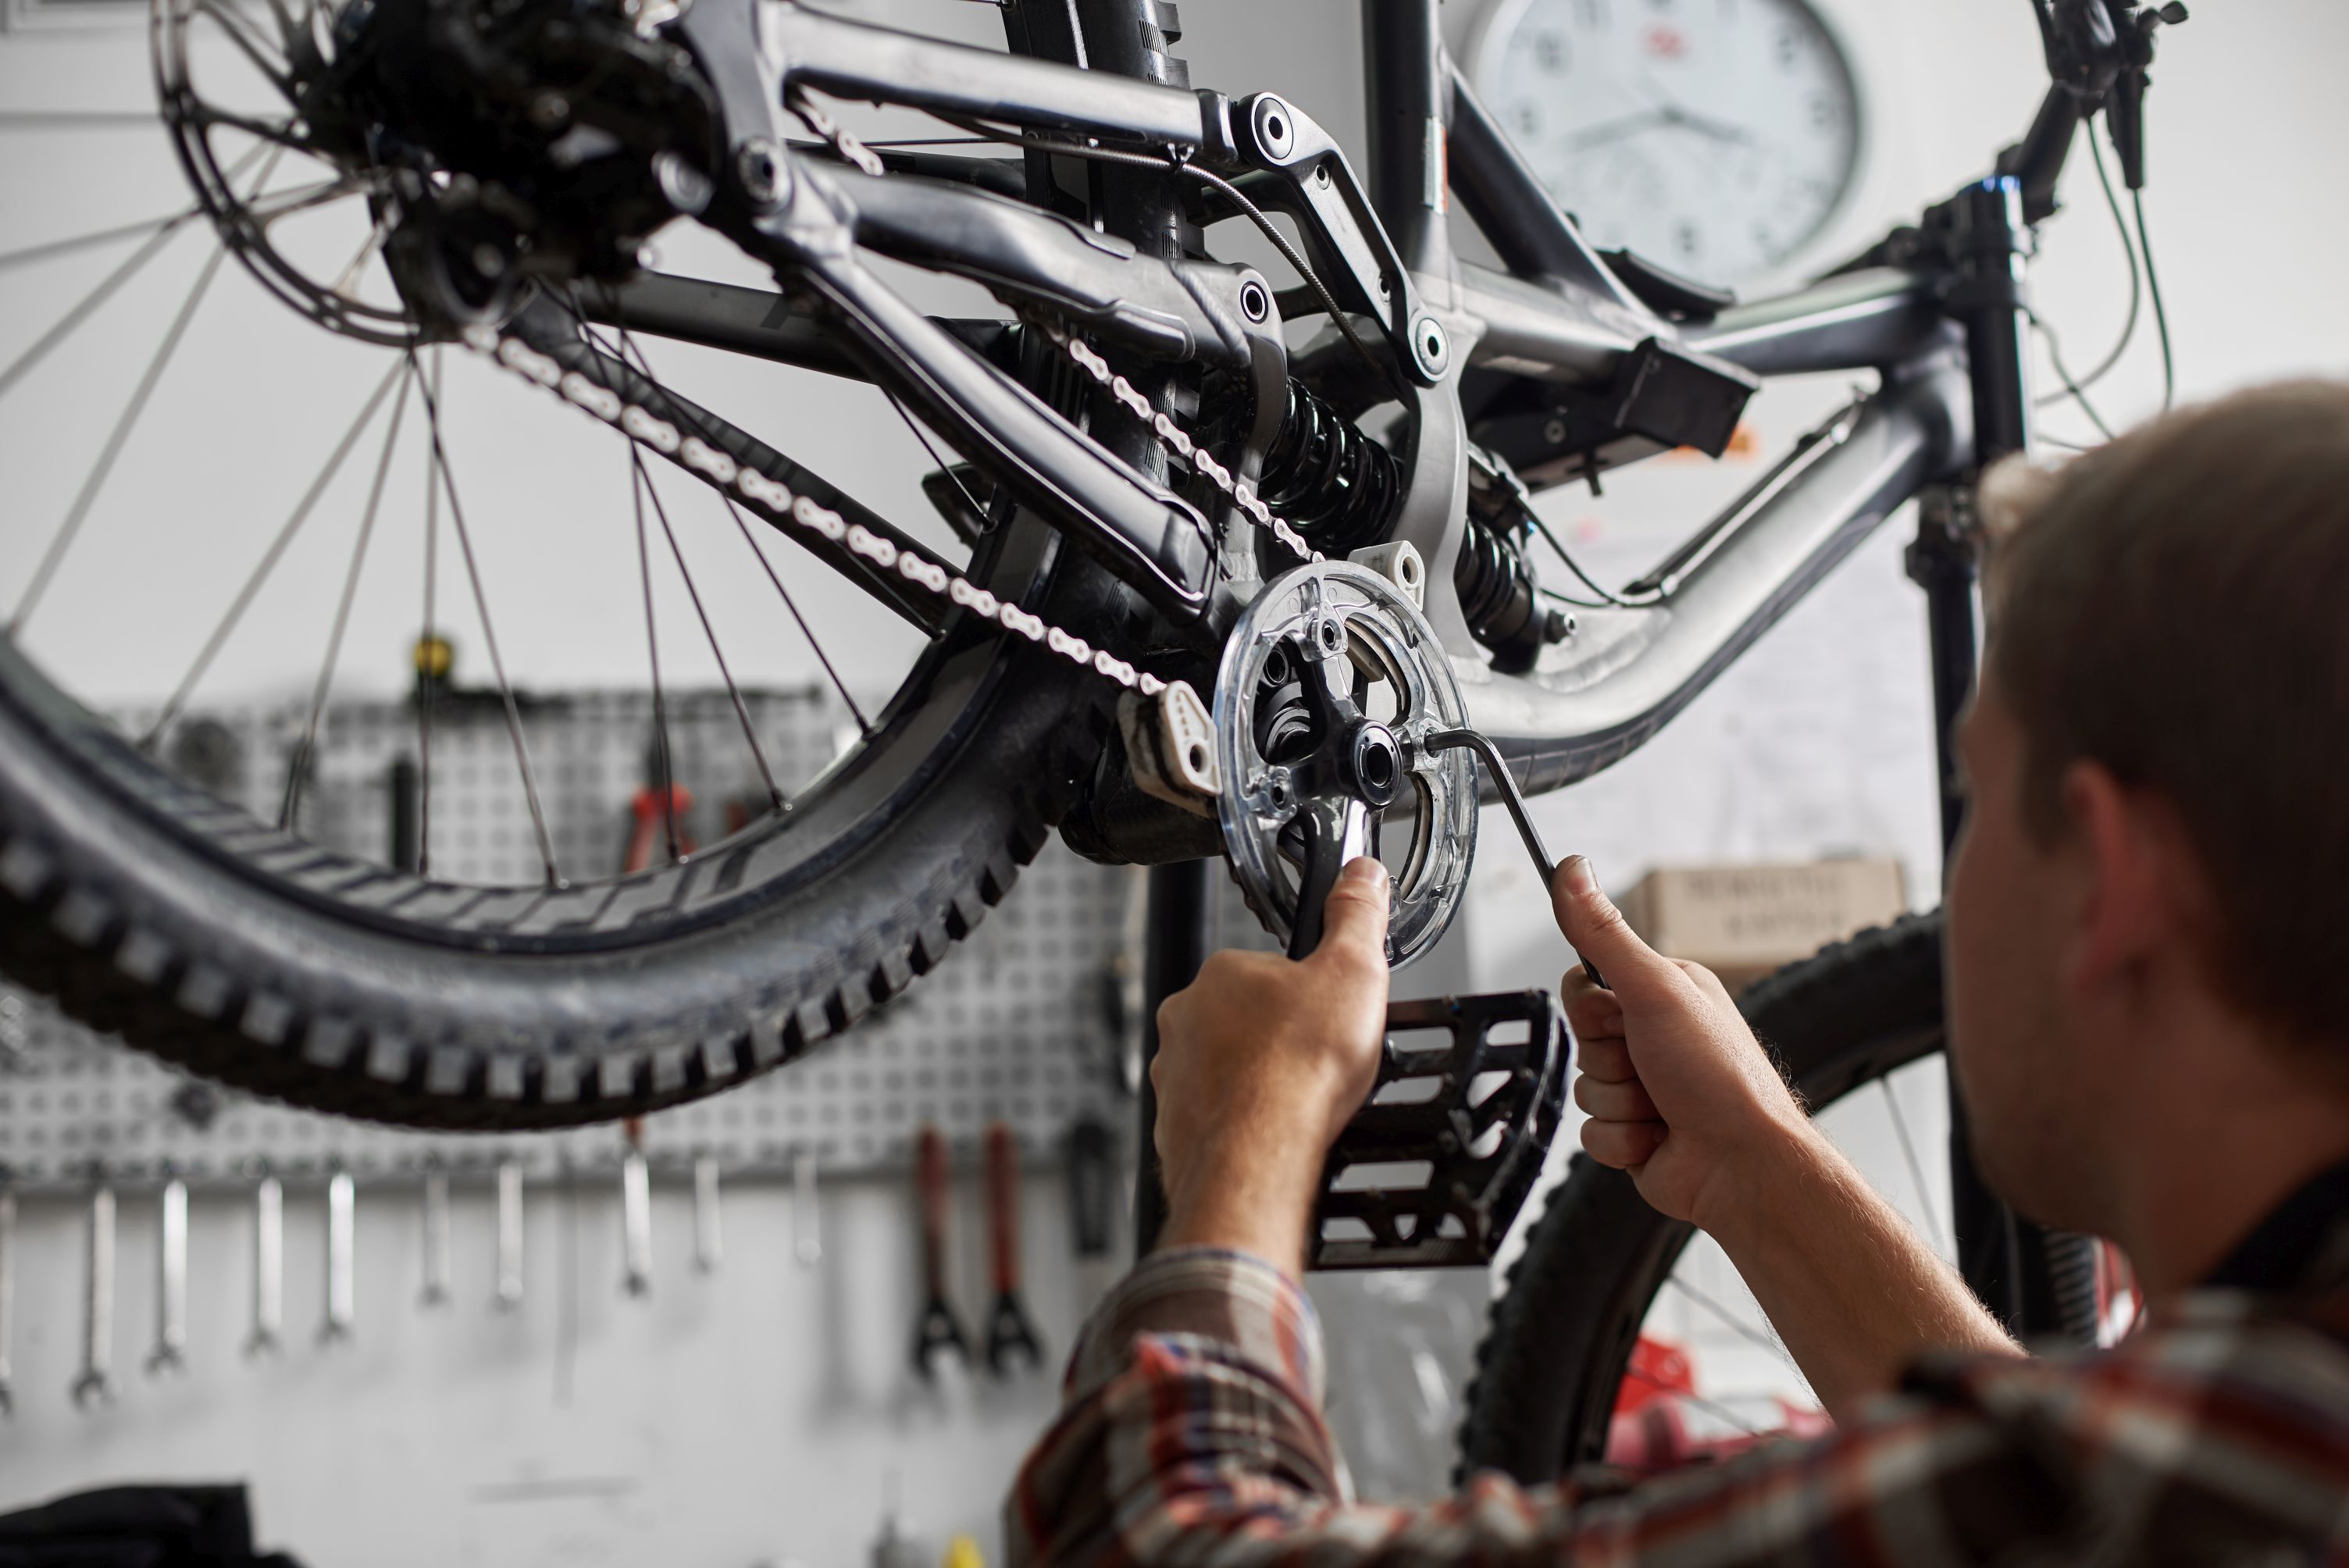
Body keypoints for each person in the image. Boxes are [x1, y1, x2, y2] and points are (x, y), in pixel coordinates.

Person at [1006, 381, 2349, 1564]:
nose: (1962, 858)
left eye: (1975, 794)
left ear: (2110, 878)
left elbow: (1157, 1548)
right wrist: (1758, 1169)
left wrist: (1249, 1139)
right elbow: (2048, 1510)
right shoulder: (2258, 1442)